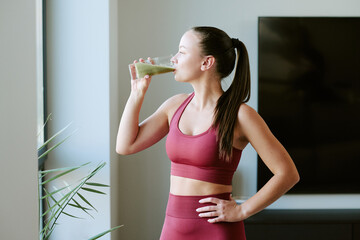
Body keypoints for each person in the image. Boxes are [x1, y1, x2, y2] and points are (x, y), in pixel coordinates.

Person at [116, 26, 300, 240]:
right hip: (173, 229)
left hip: (217, 231)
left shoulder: (240, 115)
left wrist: (241, 210)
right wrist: (137, 94)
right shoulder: (174, 106)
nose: (174, 59)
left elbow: (287, 173)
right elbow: (125, 146)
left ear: (207, 62)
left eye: (182, 52)